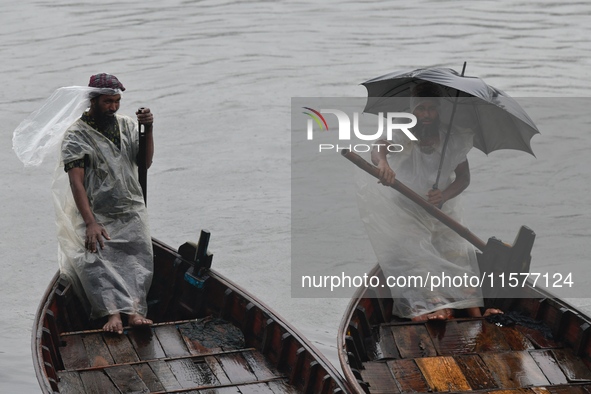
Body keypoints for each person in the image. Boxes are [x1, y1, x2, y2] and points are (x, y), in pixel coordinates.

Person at [357, 82, 500, 321]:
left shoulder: (452, 139)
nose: (425, 115)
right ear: (413, 111)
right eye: (420, 109)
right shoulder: (403, 133)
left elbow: (464, 178)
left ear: (439, 112)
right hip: (407, 210)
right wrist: (383, 164)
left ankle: (474, 315)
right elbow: (379, 147)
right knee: (418, 260)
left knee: (458, 260)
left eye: (431, 109)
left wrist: (444, 195)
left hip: (444, 212)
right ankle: (429, 311)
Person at [58, 73, 155, 334]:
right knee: (95, 258)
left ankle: (133, 311)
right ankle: (112, 313)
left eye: (117, 101)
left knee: (137, 253)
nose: (113, 107)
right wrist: (90, 222)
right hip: (95, 210)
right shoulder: (76, 135)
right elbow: (76, 183)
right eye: (107, 102)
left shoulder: (126, 126)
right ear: (93, 100)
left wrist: (149, 129)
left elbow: (143, 162)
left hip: (129, 205)